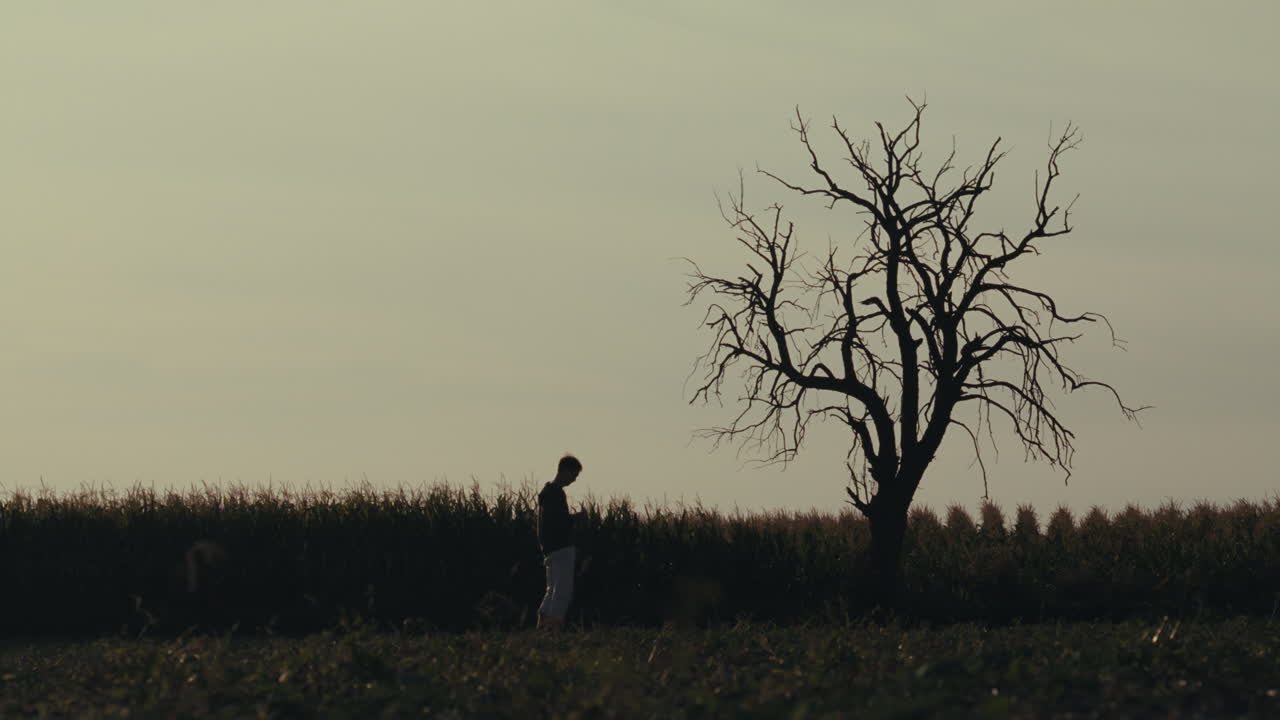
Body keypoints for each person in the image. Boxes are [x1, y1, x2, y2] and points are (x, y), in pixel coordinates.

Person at [537, 454, 583, 631]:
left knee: (551, 590)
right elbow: (560, 521)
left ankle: (542, 626)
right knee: (562, 592)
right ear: (566, 470)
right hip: (562, 548)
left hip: (549, 549)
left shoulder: (546, 493)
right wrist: (578, 518)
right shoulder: (556, 494)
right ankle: (552, 630)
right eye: (574, 475)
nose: (574, 479)